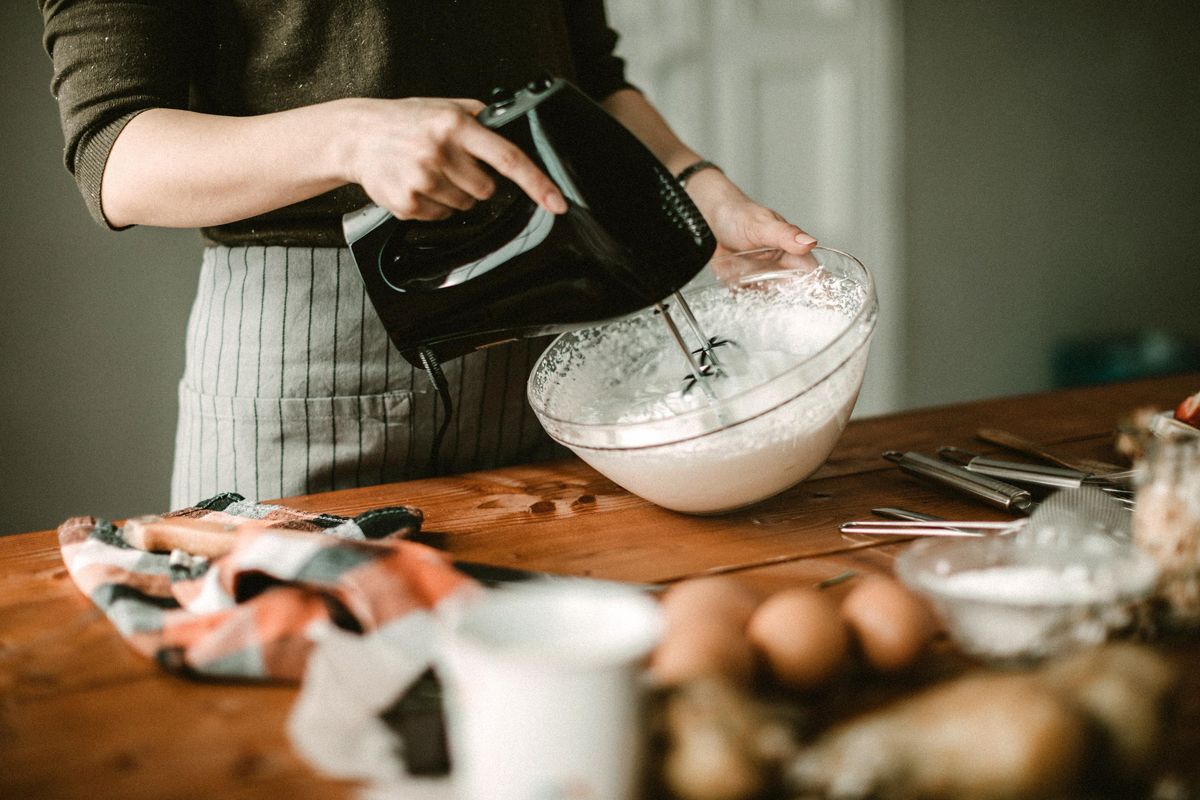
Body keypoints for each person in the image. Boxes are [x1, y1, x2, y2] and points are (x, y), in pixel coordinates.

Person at [40, 0, 817, 508]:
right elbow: (114, 154)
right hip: (304, 366)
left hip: (554, 342)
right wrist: (351, 137)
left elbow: (592, 76)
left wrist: (696, 185)